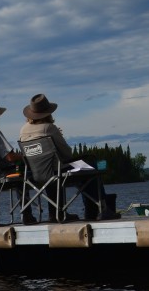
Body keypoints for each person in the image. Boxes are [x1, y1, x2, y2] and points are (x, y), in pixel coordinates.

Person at [19, 93, 118, 221]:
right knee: (91, 169)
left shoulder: (23, 130)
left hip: (37, 173)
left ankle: (54, 213)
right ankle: (98, 210)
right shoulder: (50, 128)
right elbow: (67, 154)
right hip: (57, 171)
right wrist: (57, 136)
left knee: (52, 173)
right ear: (48, 112)